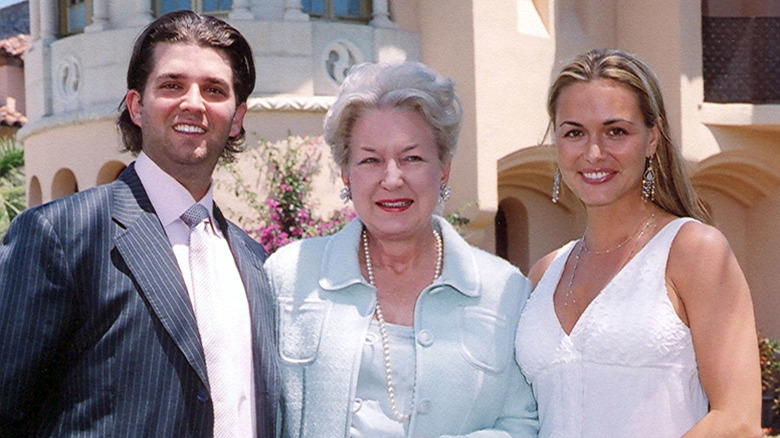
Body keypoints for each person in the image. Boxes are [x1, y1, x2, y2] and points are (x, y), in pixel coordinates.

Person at [0, 11, 280, 437]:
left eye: (214, 90)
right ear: (136, 106)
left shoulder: (256, 263)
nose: (193, 102)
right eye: (172, 85)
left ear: (237, 117)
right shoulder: (62, 236)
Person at [264, 61, 538, 437]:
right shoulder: (289, 277)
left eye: (412, 158)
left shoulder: (503, 290)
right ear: (346, 174)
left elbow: (522, 422)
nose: (392, 179)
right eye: (370, 160)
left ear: (443, 169)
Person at [514, 48, 762, 437]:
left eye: (616, 131)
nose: (594, 153)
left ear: (652, 139)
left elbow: (738, 420)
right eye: (574, 132)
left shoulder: (693, 251)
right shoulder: (543, 274)